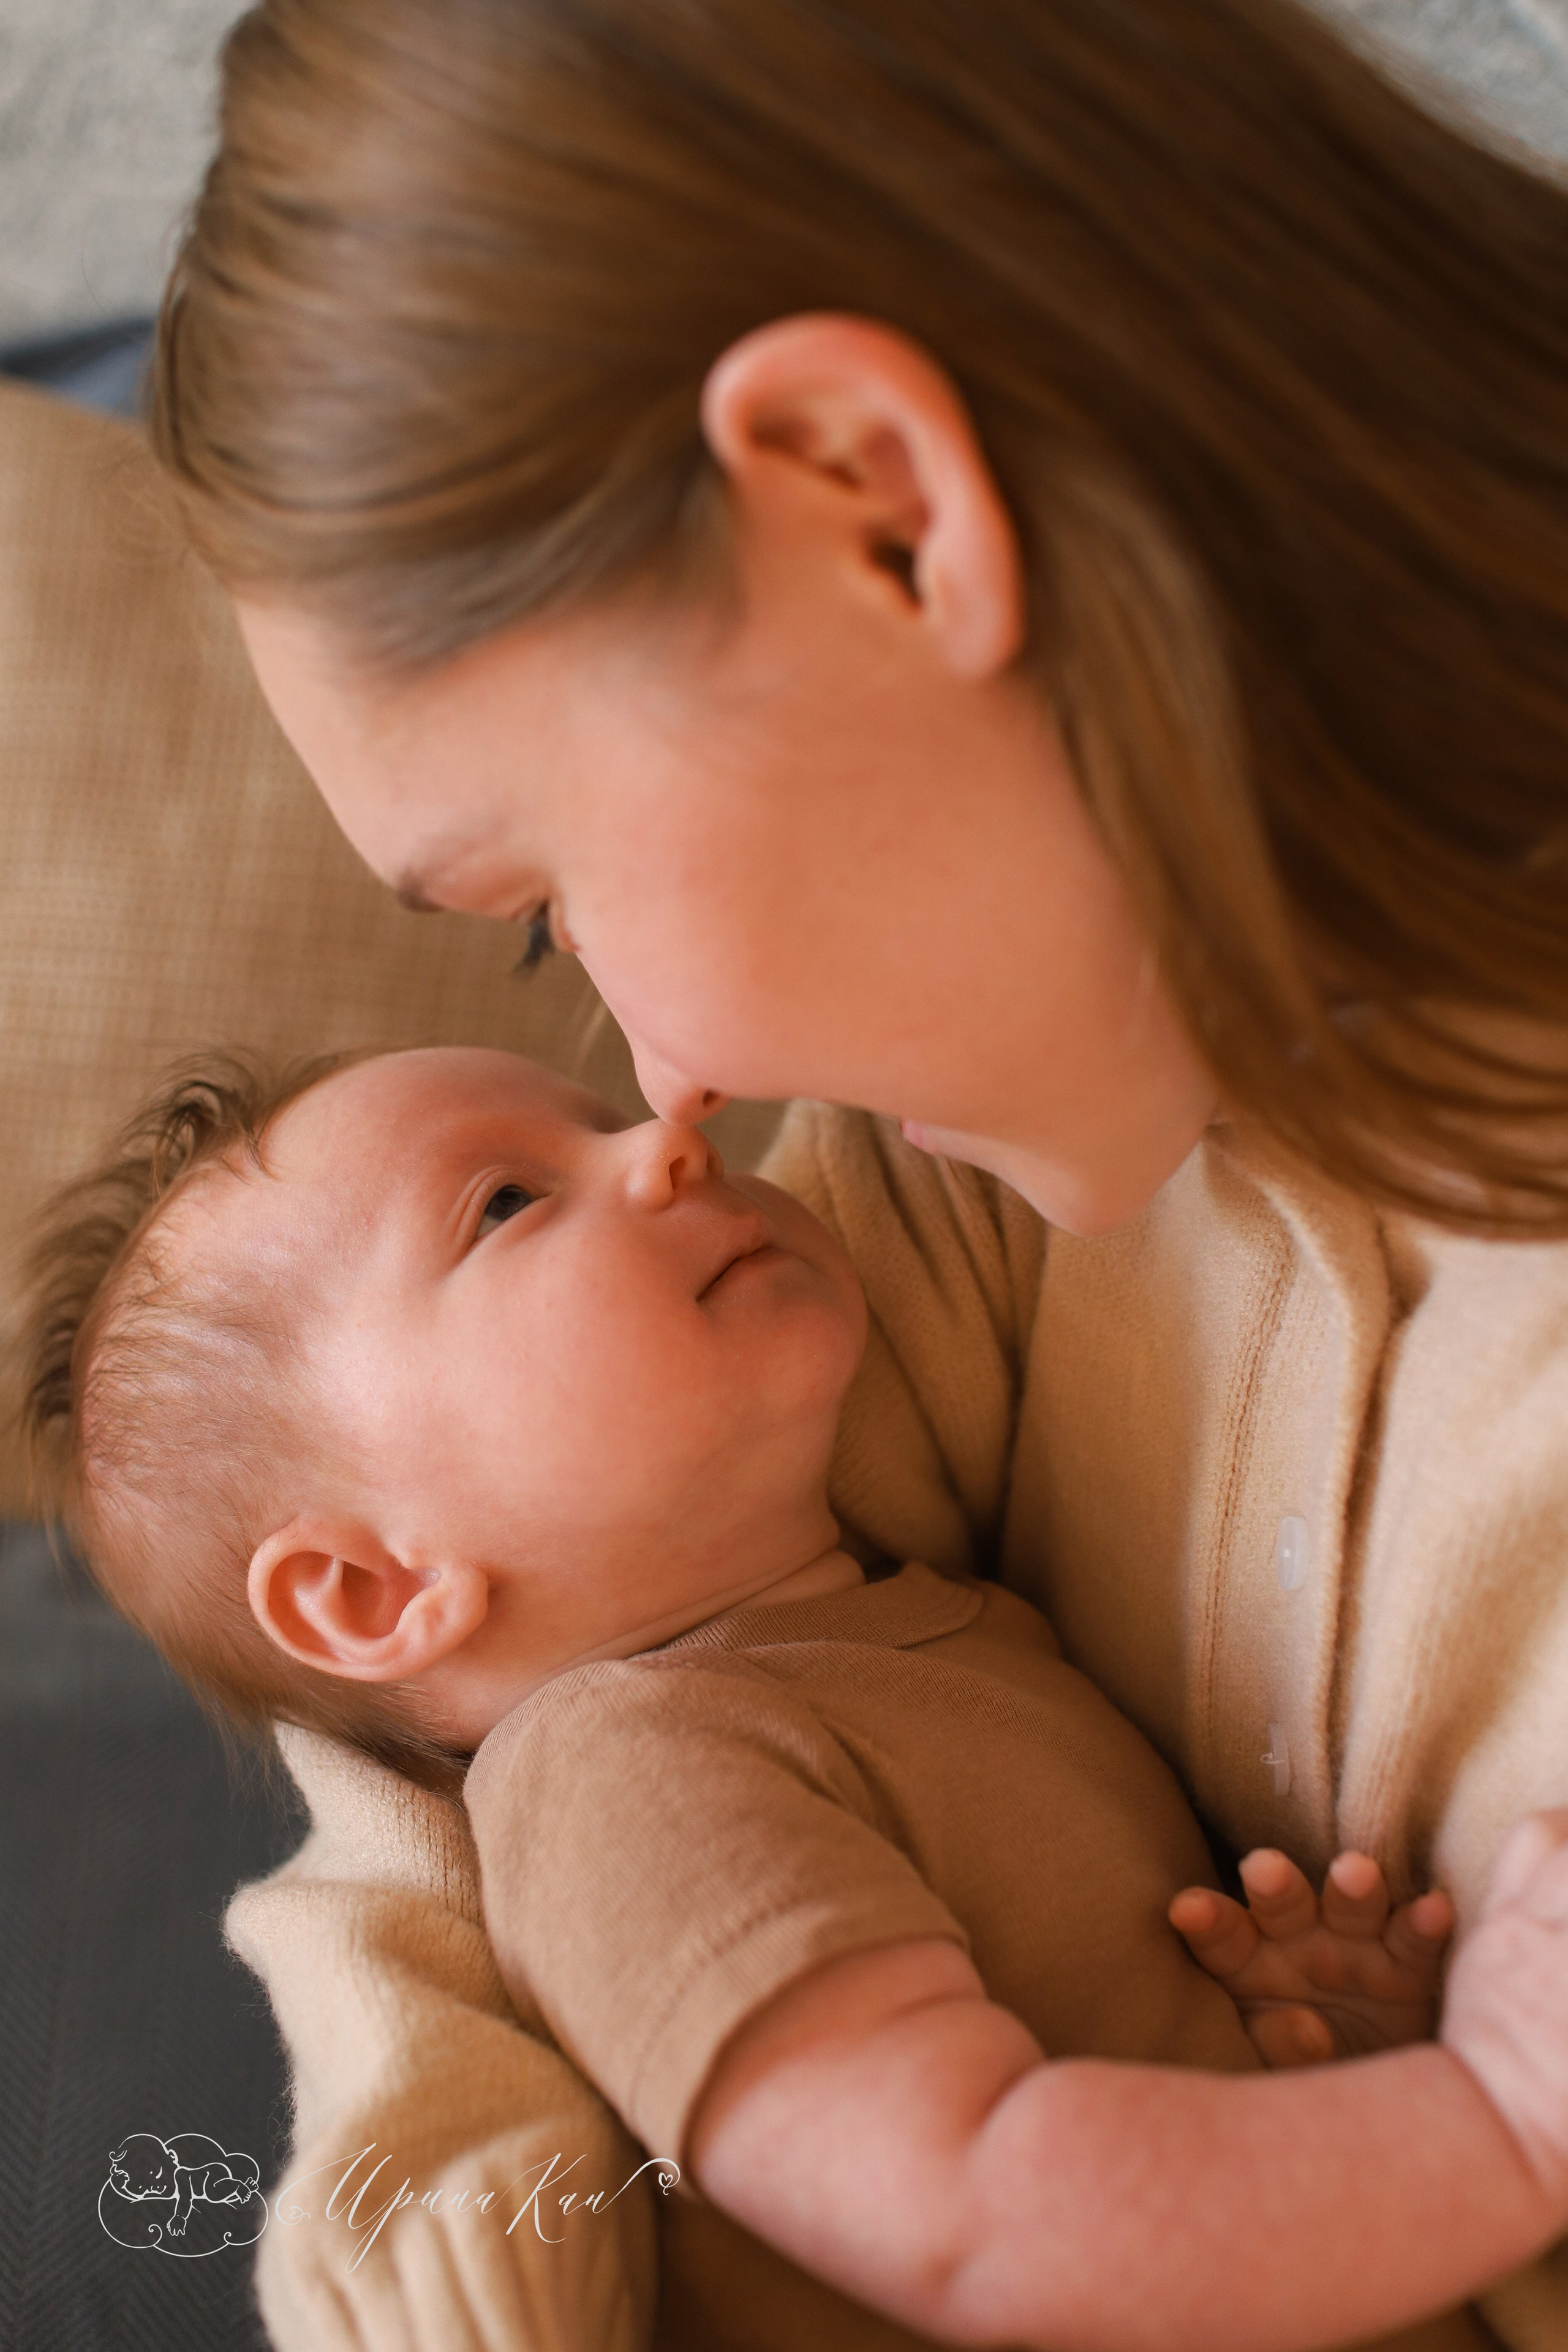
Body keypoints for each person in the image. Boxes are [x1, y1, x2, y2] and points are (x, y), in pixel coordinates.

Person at [143, 0, 1568, 2343]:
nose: (668, 1079)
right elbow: (506, 1692)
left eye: (540, 891)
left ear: (883, 516)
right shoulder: (967, 1196)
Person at [18, 1042, 1551, 2352]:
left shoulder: (931, 1630)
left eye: (603, 1114)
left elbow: (1097, 2094)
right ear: (373, 1590)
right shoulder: (624, 1773)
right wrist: (1493, 2120)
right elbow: (969, 2216)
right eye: (506, 1201)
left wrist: (1320, 2059)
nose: (669, 1137)